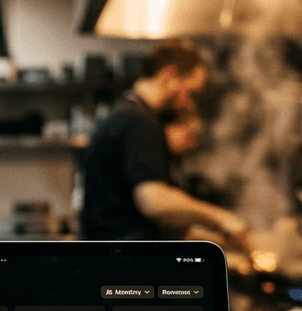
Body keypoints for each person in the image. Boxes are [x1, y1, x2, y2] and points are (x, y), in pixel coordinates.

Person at [79, 39, 248, 245]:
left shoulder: (127, 113)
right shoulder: (139, 121)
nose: (189, 103)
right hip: (123, 259)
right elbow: (153, 200)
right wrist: (222, 218)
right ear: (169, 76)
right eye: (191, 93)